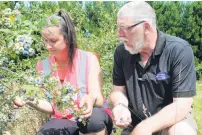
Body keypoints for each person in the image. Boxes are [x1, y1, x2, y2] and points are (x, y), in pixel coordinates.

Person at [14, 10, 113, 135]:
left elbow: (98, 98)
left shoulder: (88, 59)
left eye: (53, 41)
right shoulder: (43, 66)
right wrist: (29, 100)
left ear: (67, 38)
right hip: (64, 120)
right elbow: (52, 106)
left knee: (93, 121)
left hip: (90, 115)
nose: (48, 46)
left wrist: (90, 98)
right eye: (45, 41)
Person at [109, 1, 197, 135]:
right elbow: (118, 90)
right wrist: (120, 106)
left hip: (171, 123)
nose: (118, 34)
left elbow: (182, 105)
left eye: (124, 27)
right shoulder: (122, 52)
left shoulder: (178, 50)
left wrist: (145, 127)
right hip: (135, 125)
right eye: (118, 27)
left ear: (146, 27)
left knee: (181, 131)